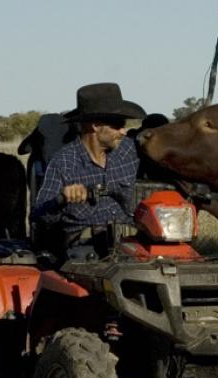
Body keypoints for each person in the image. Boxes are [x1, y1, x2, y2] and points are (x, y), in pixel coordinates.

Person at [30, 83, 145, 261]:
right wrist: (60, 199)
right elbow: (38, 217)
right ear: (96, 126)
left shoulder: (129, 151)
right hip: (83, 255)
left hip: (131, 247)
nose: (123, 132)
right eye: (117, 125)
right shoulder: (64, 162)